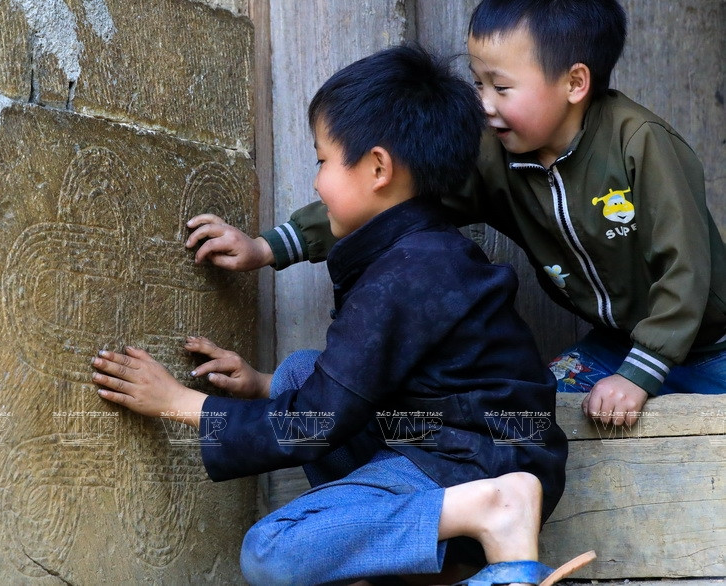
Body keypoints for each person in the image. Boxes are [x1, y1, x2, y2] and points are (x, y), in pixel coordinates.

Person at [92, 44, 593, 585]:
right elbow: (353, 387)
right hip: (457, 439)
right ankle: (459, 557)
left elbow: (321, 422)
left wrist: (180, 403)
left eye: (323, 160)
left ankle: (492, 509)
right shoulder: (417, 250)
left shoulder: (407, 273)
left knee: (271, 551)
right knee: (303, 371)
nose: (316, 181)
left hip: (476, 458)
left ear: (378, 167)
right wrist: (262, 386)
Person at [187, 0, 726, 429]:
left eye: (502, 86)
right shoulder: (496, 154)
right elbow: (394, 195)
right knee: (531, 417)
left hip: (709, 348)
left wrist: (642, 373)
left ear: (575, 83)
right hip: (615, 348)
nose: (484, 102)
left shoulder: (640, 144)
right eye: (477, 82)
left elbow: (687, 267)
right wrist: (270, 246)